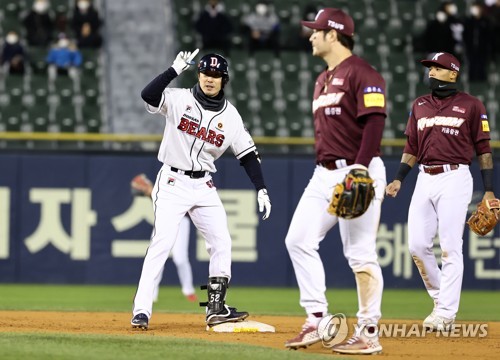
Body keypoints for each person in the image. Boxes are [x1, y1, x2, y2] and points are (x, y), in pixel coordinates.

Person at [130, 49, 272, 330]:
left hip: (203, 184)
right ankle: (142, 310)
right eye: (206, 72)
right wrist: (172, 71)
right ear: (198, 74)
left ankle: (216, 308)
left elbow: (247, 154)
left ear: (224, 80)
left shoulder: (231, 116)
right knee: (162, 243)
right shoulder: (179, 98)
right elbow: (148, 95)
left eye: (216, 75)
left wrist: (261, 187)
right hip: (172, 181)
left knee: (222, 242)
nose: (210, 78)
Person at [284, 8, 386, 355]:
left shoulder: (362, 73)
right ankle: (317, 320)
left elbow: (374, 123)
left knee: (359, 254)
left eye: (316, 31)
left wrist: (359, 169)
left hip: (358, 169)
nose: (311, 36)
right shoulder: (321, 78)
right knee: (297, 239)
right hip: (322, 173)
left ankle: (369, 333)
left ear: (333, 34)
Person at [385, 52, 495, 331]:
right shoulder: (419, 105)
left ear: (453, 73)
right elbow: (412, 147)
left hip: (455, 178)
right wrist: (399, 178)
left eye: (438, 68)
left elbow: (483, 148)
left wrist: (489, 191)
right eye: (430, 68)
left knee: (450, 247)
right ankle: (439, 300)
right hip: (425, 176)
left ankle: (446, 312)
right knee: (417, 246)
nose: (431, 72)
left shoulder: (471, 105)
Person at [130, 174, 197, 303]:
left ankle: (188, 290)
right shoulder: (157, 188)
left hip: (182, 221)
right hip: (163, 221)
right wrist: (148, 188)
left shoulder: (171, 184)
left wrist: (148, 187)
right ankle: (149, 294)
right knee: (156, 257)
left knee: (180, 258)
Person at [463, 2, 493, 82]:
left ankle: (482, 87)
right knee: (471, 68)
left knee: (481, 68)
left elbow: (489, 36)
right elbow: (465, 35)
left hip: (482, 50)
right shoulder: (468, 21)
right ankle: (471, 87)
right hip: (471, 49)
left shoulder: (486, 21)